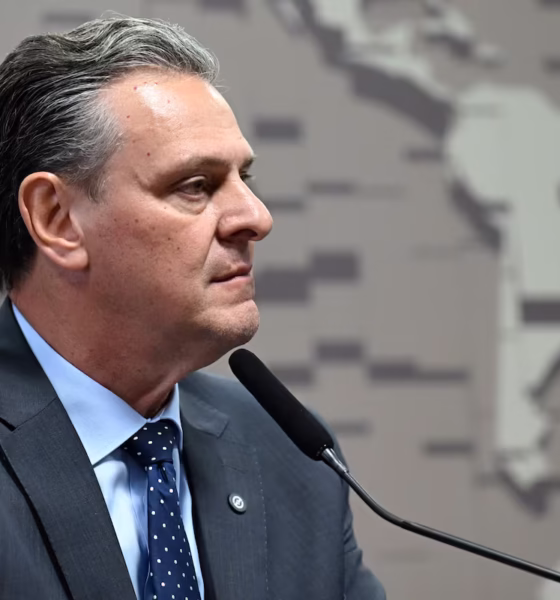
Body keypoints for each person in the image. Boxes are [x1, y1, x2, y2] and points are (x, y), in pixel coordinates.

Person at [0, 16, 385, 600]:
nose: (256, 217)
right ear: (58, 220)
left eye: (244, 178)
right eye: (196, 185)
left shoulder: (290, 454)